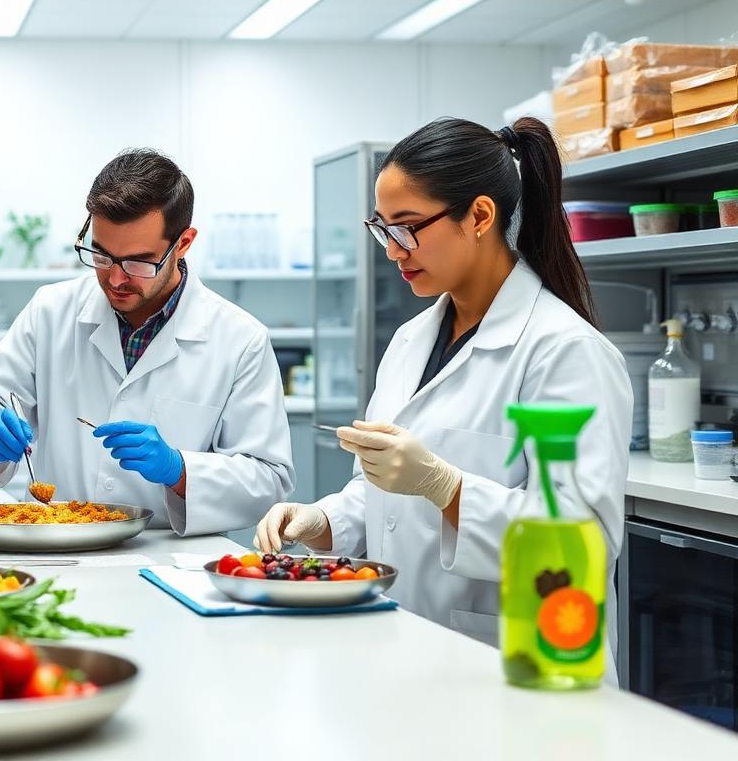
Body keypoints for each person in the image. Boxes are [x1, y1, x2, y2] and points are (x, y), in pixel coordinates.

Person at [256, 117, 631, 677]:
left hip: (515, 661)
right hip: (406, 651)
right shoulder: (411, 341)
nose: (393, 251)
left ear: (480, 216)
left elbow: (586, 546)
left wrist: (446, 486)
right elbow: (383, 499)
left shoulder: (565, 351)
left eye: (407, 227)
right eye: (381, 229)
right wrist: (322, 520)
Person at [0, 149, 294, 536]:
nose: (115, 279)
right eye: (101, 254)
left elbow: (268, 479)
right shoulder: (50, 310)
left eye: (137, 262)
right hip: (56, 543)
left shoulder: (239, 338)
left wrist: (179, 469)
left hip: (170, 558)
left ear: (183, 243)